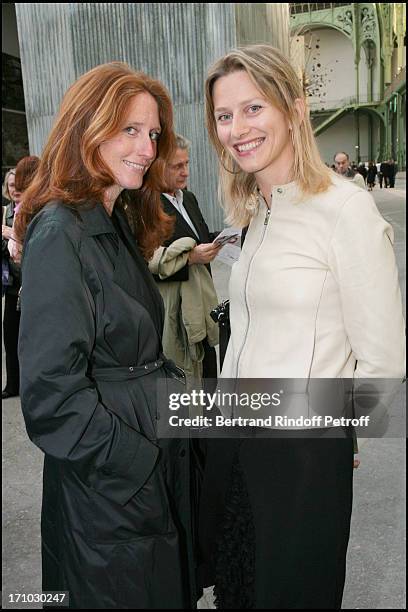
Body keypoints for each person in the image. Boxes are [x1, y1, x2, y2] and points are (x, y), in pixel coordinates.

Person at [198, 44, 405, 609]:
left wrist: (333, 436)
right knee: (238, 590)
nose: (237, 128)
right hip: (236, 439)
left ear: (292, 108)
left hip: (300, 453)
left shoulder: (345, 210)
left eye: (253, 108)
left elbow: (385, 361)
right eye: (224, 115)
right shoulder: (255, 210)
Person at [15, 62, 195, 609]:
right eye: (129, 130)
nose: (146, 147)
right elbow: (50, 395)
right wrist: (137, 463)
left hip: (135, 471)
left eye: (153, 133)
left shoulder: (111, 219)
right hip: (111, 486)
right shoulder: (60, 231)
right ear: (87, 128)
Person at [150, 134, 220, 389]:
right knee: (185, 387)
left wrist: (223, 240)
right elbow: (148, 265)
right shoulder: (147, 207)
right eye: (177, 166)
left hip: (203, 306)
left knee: (210, 378)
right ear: (158, 167)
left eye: (187, 164)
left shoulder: (188, 198)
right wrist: (190, 258)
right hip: (177, 314)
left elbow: (199, 237)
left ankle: (211, 426)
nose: (185, 172)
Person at [2, 168, 20, 398]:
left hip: (33, 284)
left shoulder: (33, 208)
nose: (14, 189)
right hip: (13, 286)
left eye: (17, 184)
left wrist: (11, 234)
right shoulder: (5, 212)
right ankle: (12, 385)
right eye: (10, 185)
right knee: (10, 336)